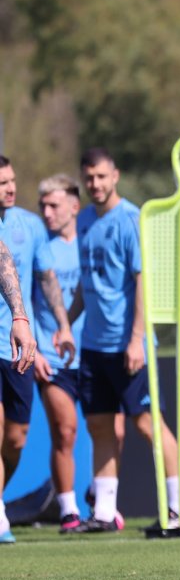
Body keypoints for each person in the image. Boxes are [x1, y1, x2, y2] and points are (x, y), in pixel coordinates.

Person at [71, 147, 180, 532]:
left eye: (102, 177)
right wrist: (63, 323)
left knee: (148, 425)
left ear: (115, 176)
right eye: (89, 178)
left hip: (128, 345)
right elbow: (87, 285)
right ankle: (103, 513)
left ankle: (178, 507)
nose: (95, 184)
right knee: (100, 427)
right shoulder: (84, 220)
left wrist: (137, 339)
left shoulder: (133, 219)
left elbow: (144, 283)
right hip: (93, 345)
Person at [31, 174, 87, 532]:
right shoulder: (38, 245)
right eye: (43, 206)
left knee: (114, 430)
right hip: (52, 357)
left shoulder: (91, 242)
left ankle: (103, 498)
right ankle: (67, 508)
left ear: (74, 206)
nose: (47, 212)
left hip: (95, 352)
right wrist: (34, 348)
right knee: (65, 431)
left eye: (54, 205)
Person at [0, 157, 48, 544]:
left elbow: (7, 264)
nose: (9, 188)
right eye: (3, 183)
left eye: (12, 181)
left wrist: (21, 317)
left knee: (15, 438)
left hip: (13, 345)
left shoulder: (27, 226)